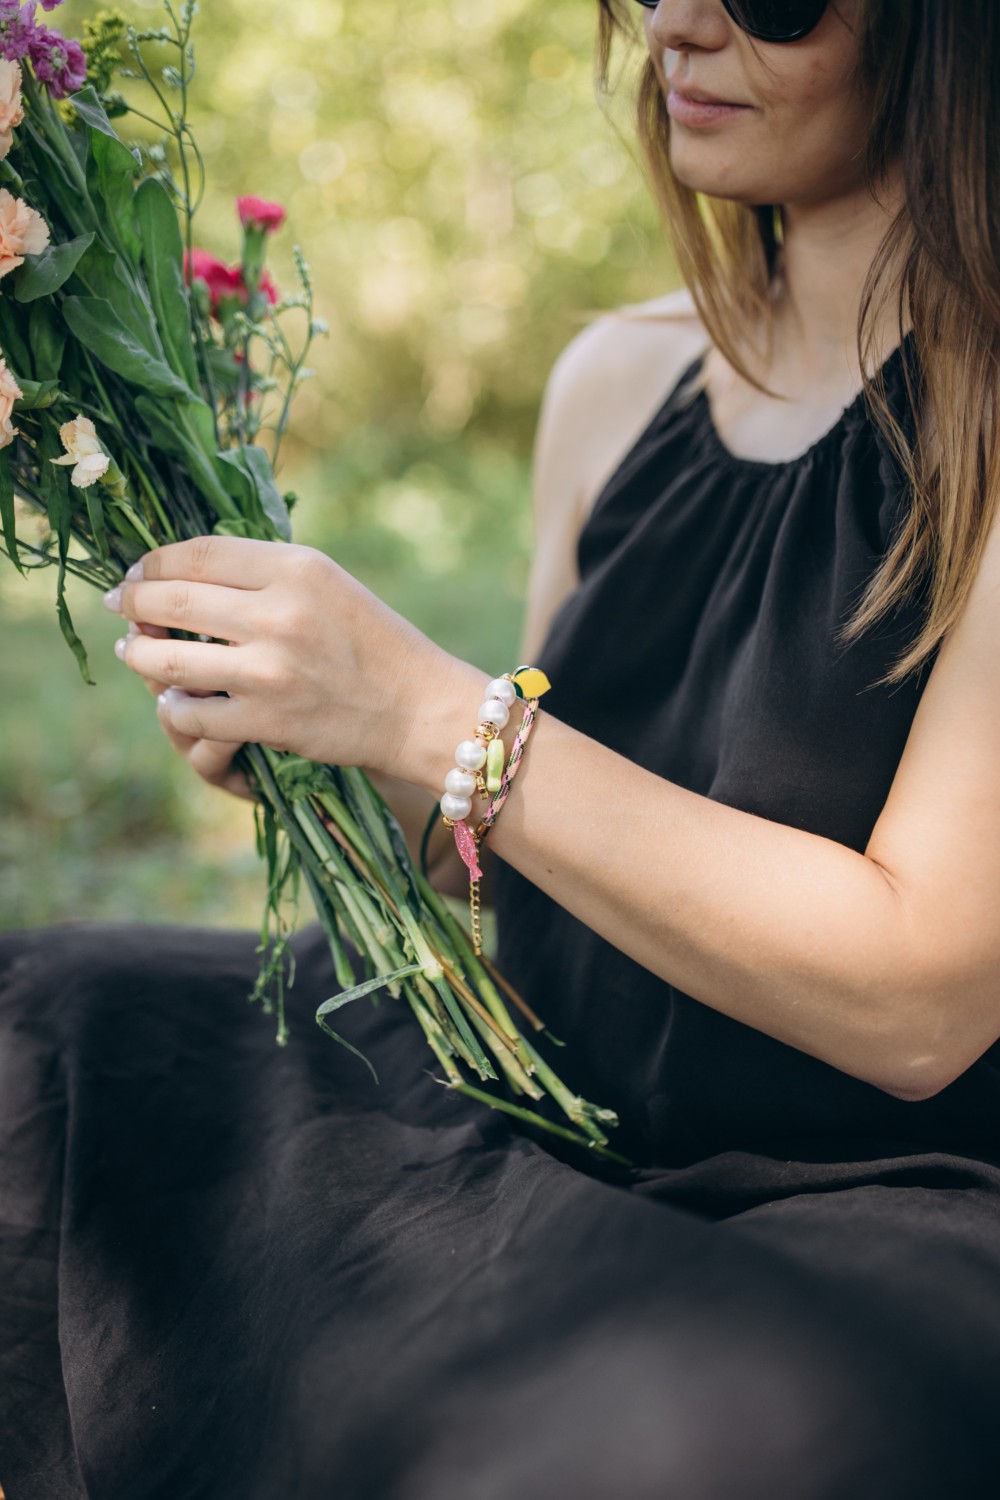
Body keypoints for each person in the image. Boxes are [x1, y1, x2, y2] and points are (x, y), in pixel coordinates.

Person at [3, 1, 1000, 1495]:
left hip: (870, 1206)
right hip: (533, 1102)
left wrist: (425, 706)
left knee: (667, 1427)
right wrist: (342, 752)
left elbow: (924, 1007)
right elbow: (512, 883)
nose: (680, 21)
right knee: (48, 1040)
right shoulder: (621, 380)